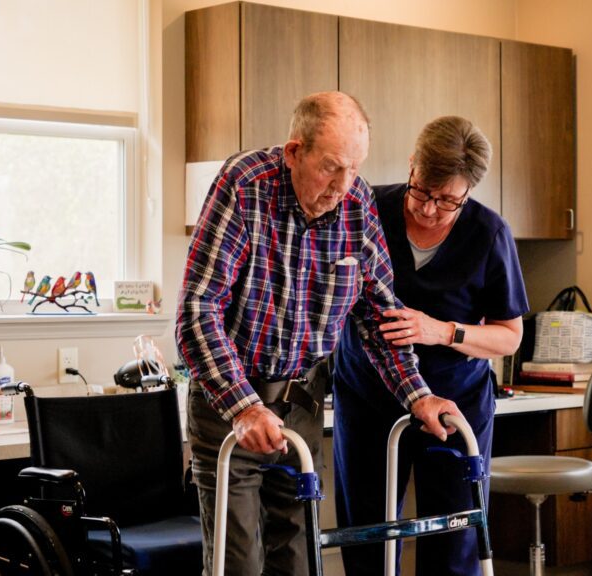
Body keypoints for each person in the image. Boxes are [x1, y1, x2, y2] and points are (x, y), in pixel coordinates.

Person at [175, 92, 461, 576]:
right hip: (230, 404)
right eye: (331, 168)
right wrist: (245, 407)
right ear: (294, 152)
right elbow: (198, 310)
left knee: (300, 560)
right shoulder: (244, 186)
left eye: (354, 168)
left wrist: (419, 396)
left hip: (301, 402)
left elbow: (379, 319)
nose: (343, 185)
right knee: (238, 562)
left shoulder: (357, 203)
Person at [333, 116, 529, 576]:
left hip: (454, 404)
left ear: (469, 192)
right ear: (411, 166)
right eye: (420, 190)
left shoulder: (489, 233)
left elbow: (509, 336)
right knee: (367, 535)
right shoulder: (366, 210)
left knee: (454, 540)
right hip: (367, 398)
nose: (427, 209)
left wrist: (442, 331)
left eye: (446, 201)